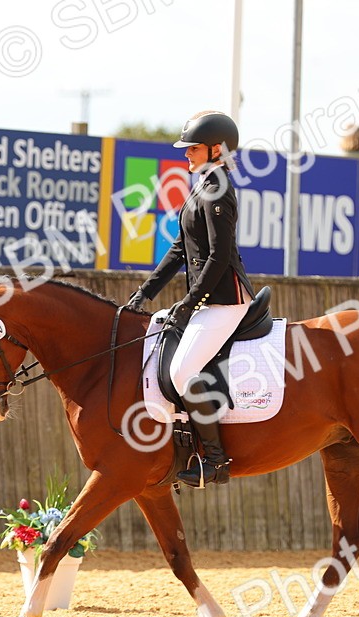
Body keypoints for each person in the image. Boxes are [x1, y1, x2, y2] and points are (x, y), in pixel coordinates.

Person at [125, 110, 256, 487]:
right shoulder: (202, 185)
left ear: (217, 150)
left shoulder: (219, 190)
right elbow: (180, 248)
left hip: (226, 300)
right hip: (207, 299)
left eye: (193, 148)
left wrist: (190, 302)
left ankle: (215, 461)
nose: (186, 155)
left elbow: (218, 256)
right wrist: (144, 293)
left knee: (182, 370)